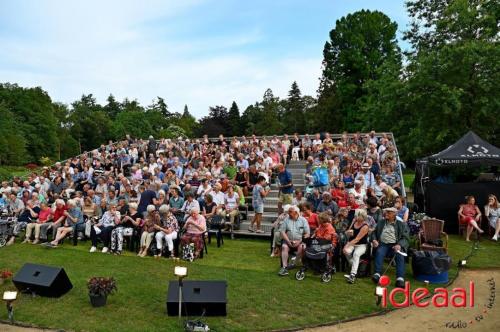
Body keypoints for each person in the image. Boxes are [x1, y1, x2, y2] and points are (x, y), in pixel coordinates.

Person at [371, 207, 410, 288]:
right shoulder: (381, 222)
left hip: (395, 245)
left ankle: (400, 278)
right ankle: (377, 274)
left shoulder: (401, 224)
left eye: (389, 213)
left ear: (394, 214)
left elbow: (405, 237)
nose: (386, 214)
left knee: (400, 256)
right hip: (383, 244)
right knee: (379, 252)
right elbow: (374, 232)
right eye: (386, 212)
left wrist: (399, 245)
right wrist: (374, 240)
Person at [278, 205, 310, 276]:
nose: (288, 213)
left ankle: (293, 263)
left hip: (299, 241)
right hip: (288, 240)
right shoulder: (286, 219)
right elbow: (282, 231)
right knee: (284, 247)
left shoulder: (303, 220)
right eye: (288, 211)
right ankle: (284, 267)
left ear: (296, 212)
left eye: (290, 211)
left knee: (302, 247)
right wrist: (288, 241)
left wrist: (300, 240)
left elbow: (307, 233)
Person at [343, 209, 369, 284]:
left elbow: (357, 239)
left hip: (361, 245)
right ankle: (358, 263)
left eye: (358, 215)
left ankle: (352, 274)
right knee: (347, 252)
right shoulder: (354, 221)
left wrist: (346, 245)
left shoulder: (365, 226)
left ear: (362, 217)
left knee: (356, 254)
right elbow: (347, 231)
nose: (356, 216)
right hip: (352, 243)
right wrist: (348, 233)